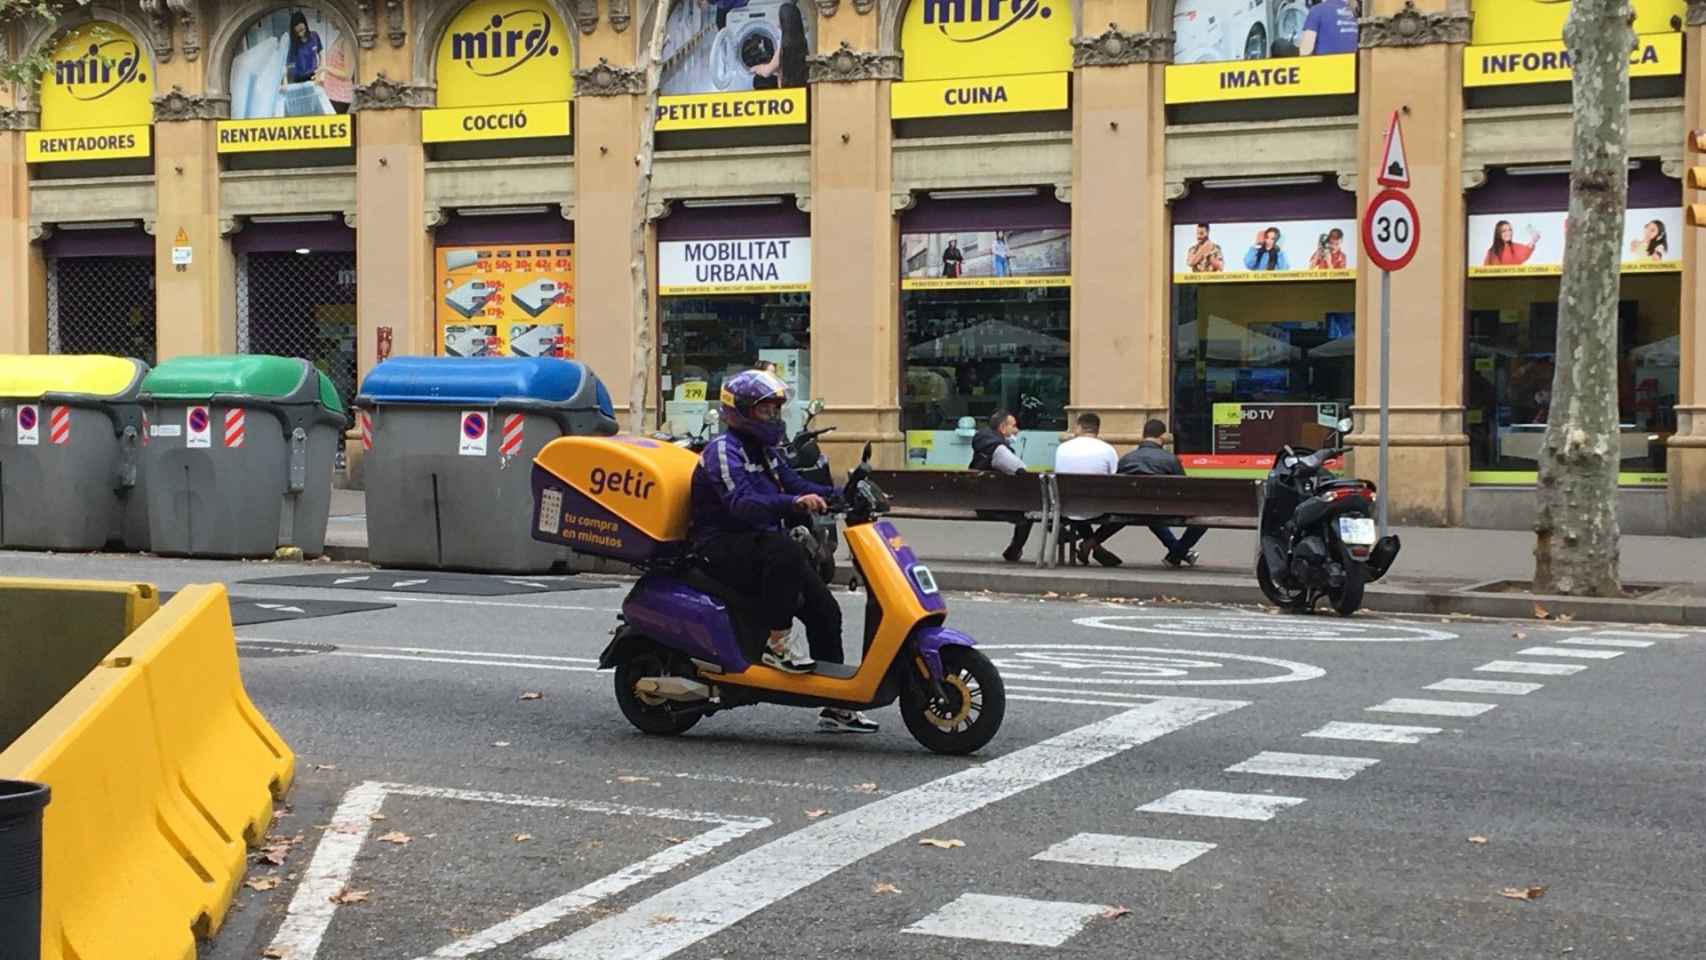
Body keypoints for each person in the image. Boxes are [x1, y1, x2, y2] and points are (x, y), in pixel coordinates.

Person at [689, 369, 877, 734]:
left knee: (825, 610)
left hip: (760, 545)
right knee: (786, 548)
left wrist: (842, 495)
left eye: (776, 410)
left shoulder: (766, 451)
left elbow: (795, 483)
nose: (773, 417)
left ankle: (838, 707)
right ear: (741, 411)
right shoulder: (723, 451)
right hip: (720, 544)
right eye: (765, 410)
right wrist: (794, 503)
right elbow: (741, 503)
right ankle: (776, 644)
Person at [1116, 419, 1207, 567]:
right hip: (1162, 510)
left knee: (1150, 512)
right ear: (1162, 436)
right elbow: (1184, 488)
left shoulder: (1126, 459)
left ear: (1143, 435)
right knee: (1201, 520)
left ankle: (1176, 553)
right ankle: (1177, 554)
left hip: (1131, 509)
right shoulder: (1170, 459)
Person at [1053, 412, 1123, 567]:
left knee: (1079, 502)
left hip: (1066, 505)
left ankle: (1089, 544)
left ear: (1078, 427)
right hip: (1098, 506)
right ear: (1097, 429)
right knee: (1124, 512)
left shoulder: (1062, 448)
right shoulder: (1108, 450)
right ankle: (1091, 544)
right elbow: (1115, 478)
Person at [969, 409, 1031, 562]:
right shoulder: (999, 450)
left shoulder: (984, 444)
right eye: (1013, 426)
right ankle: (1013, 551)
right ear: (1002, 428)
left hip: (979, 500)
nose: (1017, 430)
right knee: (1028, 515)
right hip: (993, 505)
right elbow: (1021, 470)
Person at [284, 12, 323, 87]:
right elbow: (286, 64)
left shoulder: (314, 36)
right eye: (297, 32)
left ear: (305, 24)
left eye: (302, 30)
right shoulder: (292, 43)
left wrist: (319, 74)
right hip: (298, 78)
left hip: (313, 75)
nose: (300, 34)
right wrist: (285, 80)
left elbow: (321, 55)